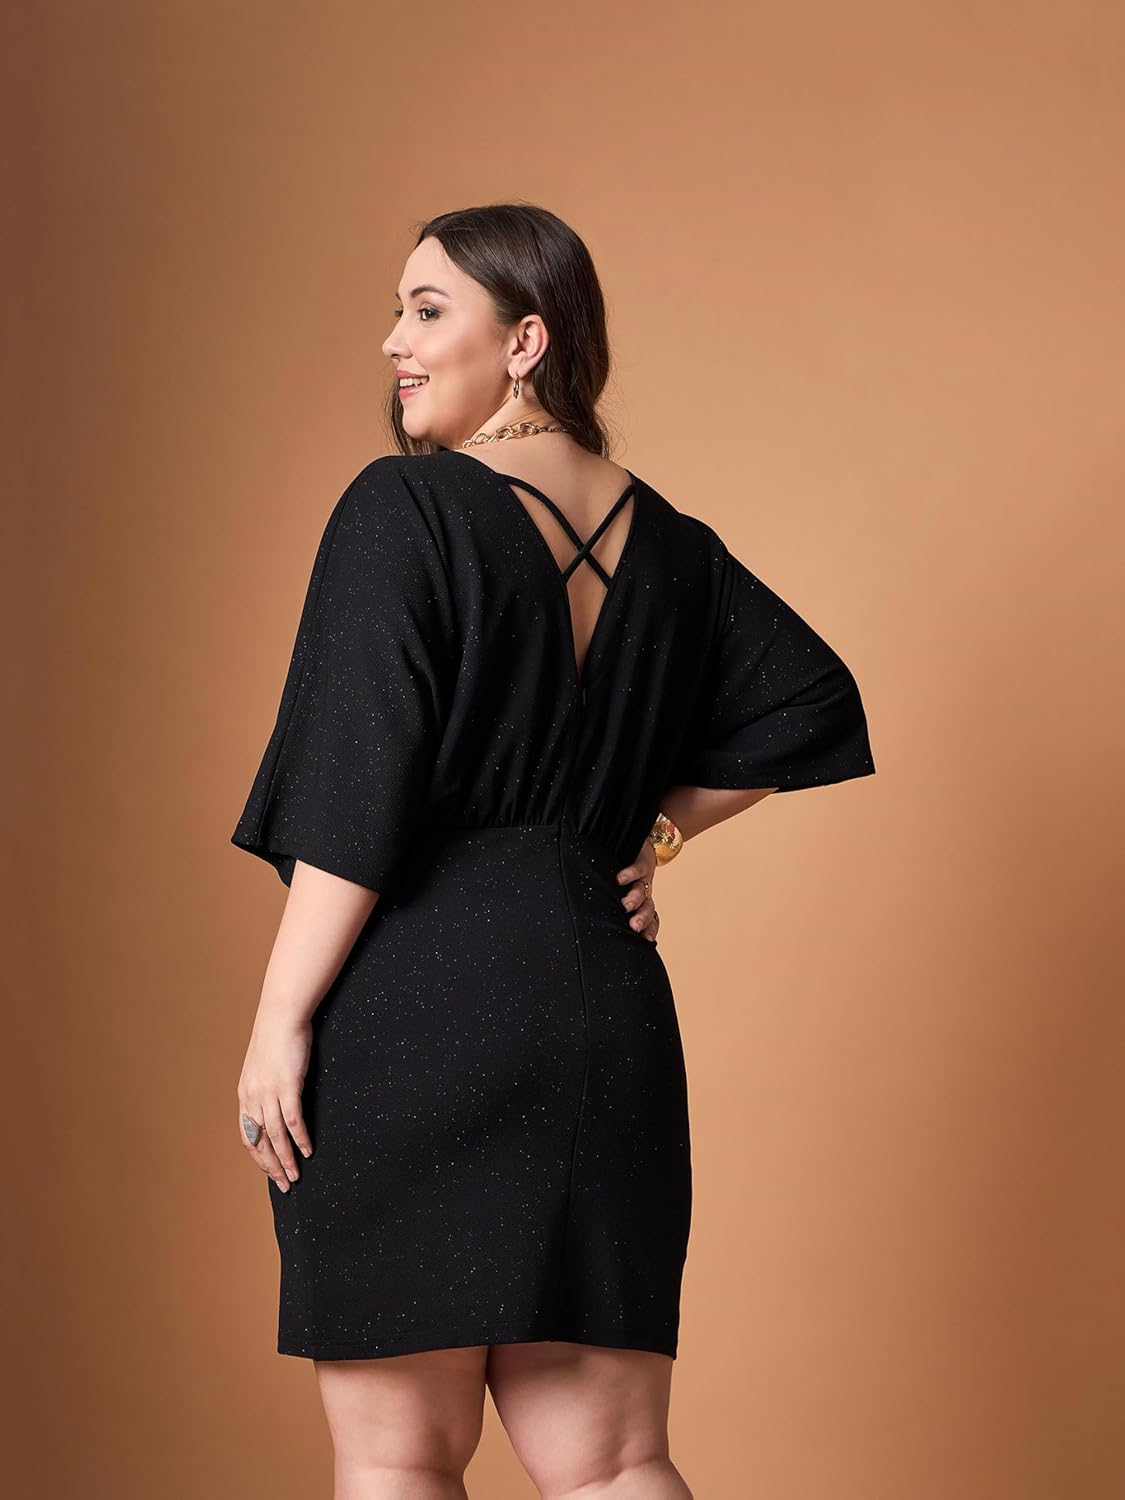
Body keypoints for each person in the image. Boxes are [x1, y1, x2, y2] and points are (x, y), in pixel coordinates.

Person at [230, 202, 876, 1500]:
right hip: (601, 1007)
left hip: (419, 1007)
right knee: (614, 1463)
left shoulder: (404, 508)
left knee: (399, 1459)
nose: (393, 340)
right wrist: (650, 833)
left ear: (525, 342)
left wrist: (279, 1018)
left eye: (426, 311)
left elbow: (358, 800)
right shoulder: (674, 548)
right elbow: (812, 697)